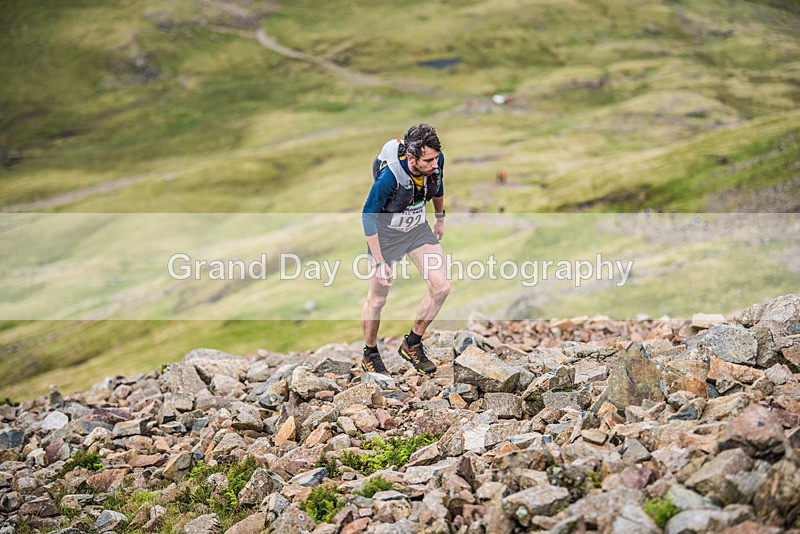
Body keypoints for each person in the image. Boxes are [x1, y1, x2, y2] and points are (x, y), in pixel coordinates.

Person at [360, 124, 450, 376]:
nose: (435, 164)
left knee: (441, 287)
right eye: (428, 160)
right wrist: (379, 262)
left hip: (416, 229)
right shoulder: (389, 177)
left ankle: (412, 344)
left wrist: (440, 218)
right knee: (378, 299)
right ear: (412, 158)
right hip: (386, 235)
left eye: (436, 158)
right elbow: (368, 216)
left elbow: (438, 187)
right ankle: (370, 354)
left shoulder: (435, 160)